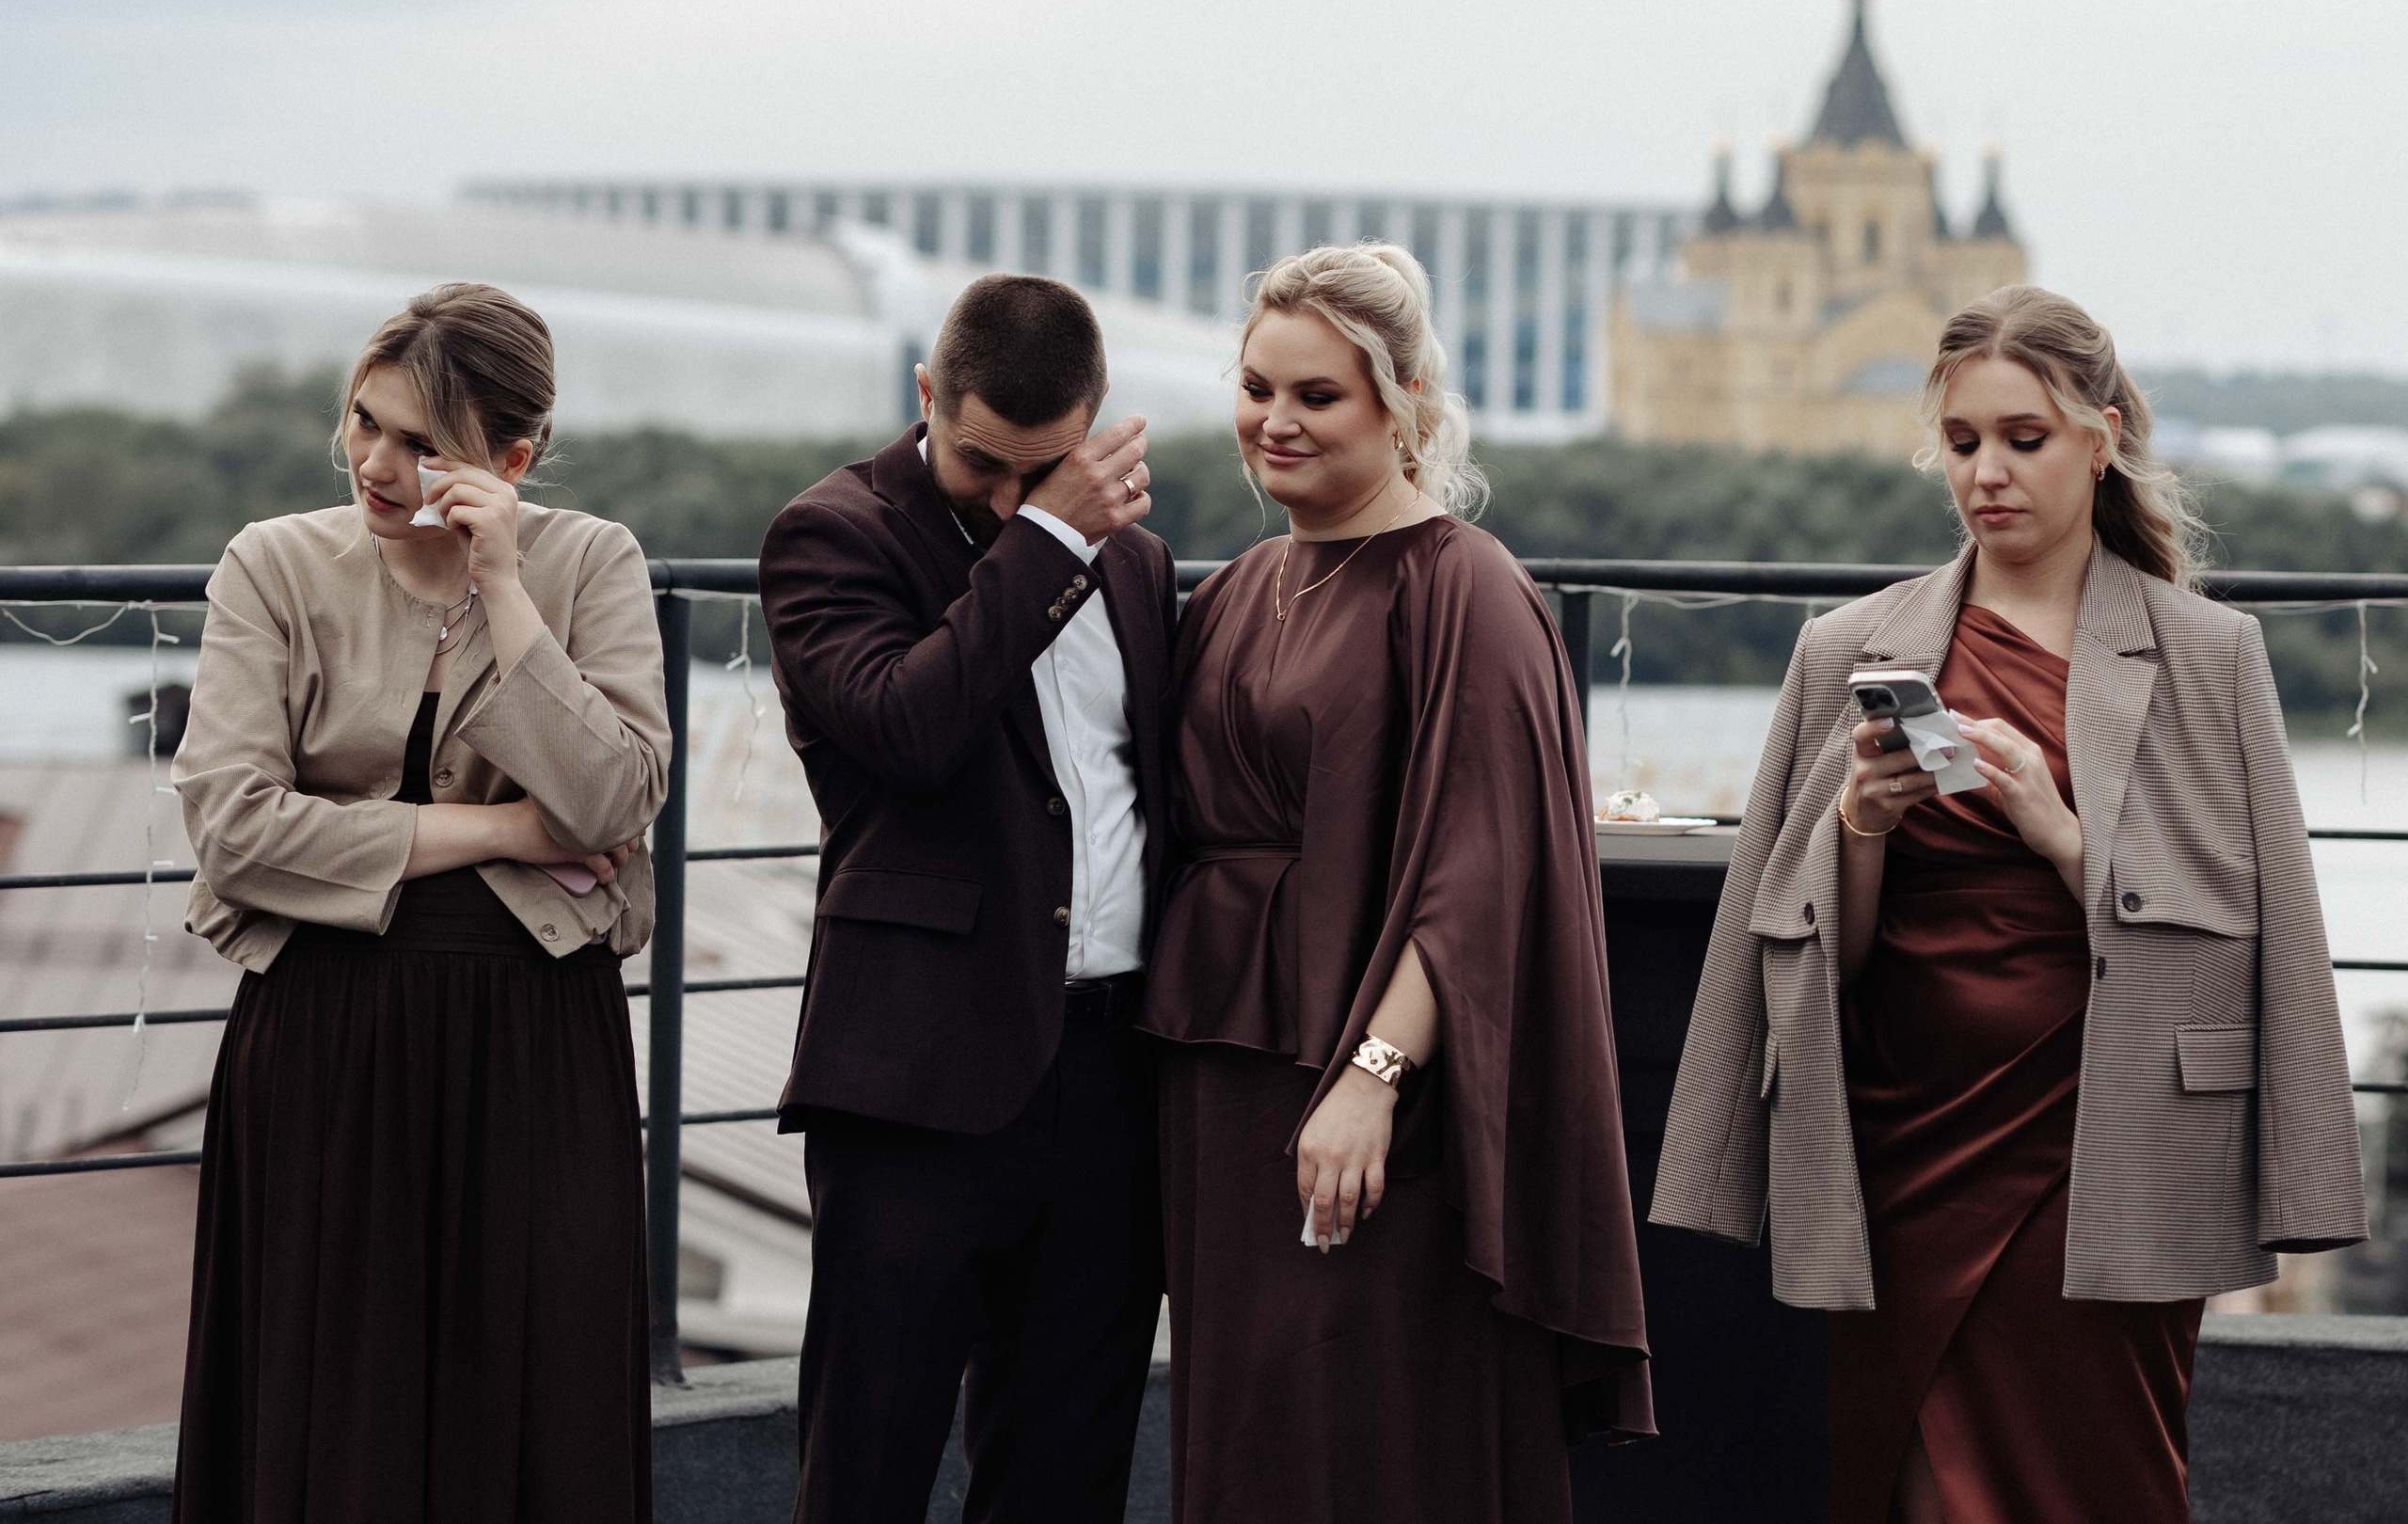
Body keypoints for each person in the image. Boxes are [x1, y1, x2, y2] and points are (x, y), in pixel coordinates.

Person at [1651, 285, 2367, 1524]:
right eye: (1963, 440)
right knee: (1916, 1481)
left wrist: (2053, 821)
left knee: (2105, 1478)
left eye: (2023, 439)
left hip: (2115, 1137)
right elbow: (1813, 949)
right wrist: (1860, 827)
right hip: (1905, 1137)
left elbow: (2273, 935)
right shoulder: (1851, 648)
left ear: (2102, 436)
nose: (1987, 472)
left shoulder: (2209, 653)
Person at [1137, 243, 1654, 1524]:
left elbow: (1483, 873)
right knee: (1250, 1428)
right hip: (1220, 1079)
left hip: (1380, 1089)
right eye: (1258, 387)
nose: (1276, 419)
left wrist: (1371, 1079)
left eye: (1318, 395)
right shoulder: (1238, 585)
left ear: (1405, 402)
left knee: (1367, 1421)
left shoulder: (1467, 589)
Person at [170, 283, 670, 1523]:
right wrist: (504, 826)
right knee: (337, 1404)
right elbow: (234, 828)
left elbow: (613, 797)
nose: (375, 465)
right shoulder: (272, 564)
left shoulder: (589, 561)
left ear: (511, 458)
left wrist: (505, 584)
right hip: (327, 1032)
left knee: (537, 1399)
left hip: (539, 1042)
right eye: (362, 422)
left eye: (420, 443)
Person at [757, 274, 1180, 1523]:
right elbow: (909, 725)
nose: (1008, 501)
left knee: (1066, 1472)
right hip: (915, 1079)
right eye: (987, 467)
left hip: (1109, 1080)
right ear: (927, 393)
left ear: (1097, 425)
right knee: (868, 1468)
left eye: (1043, 473)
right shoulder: (831, 533)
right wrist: (1050, 538)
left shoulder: (1143, 566)